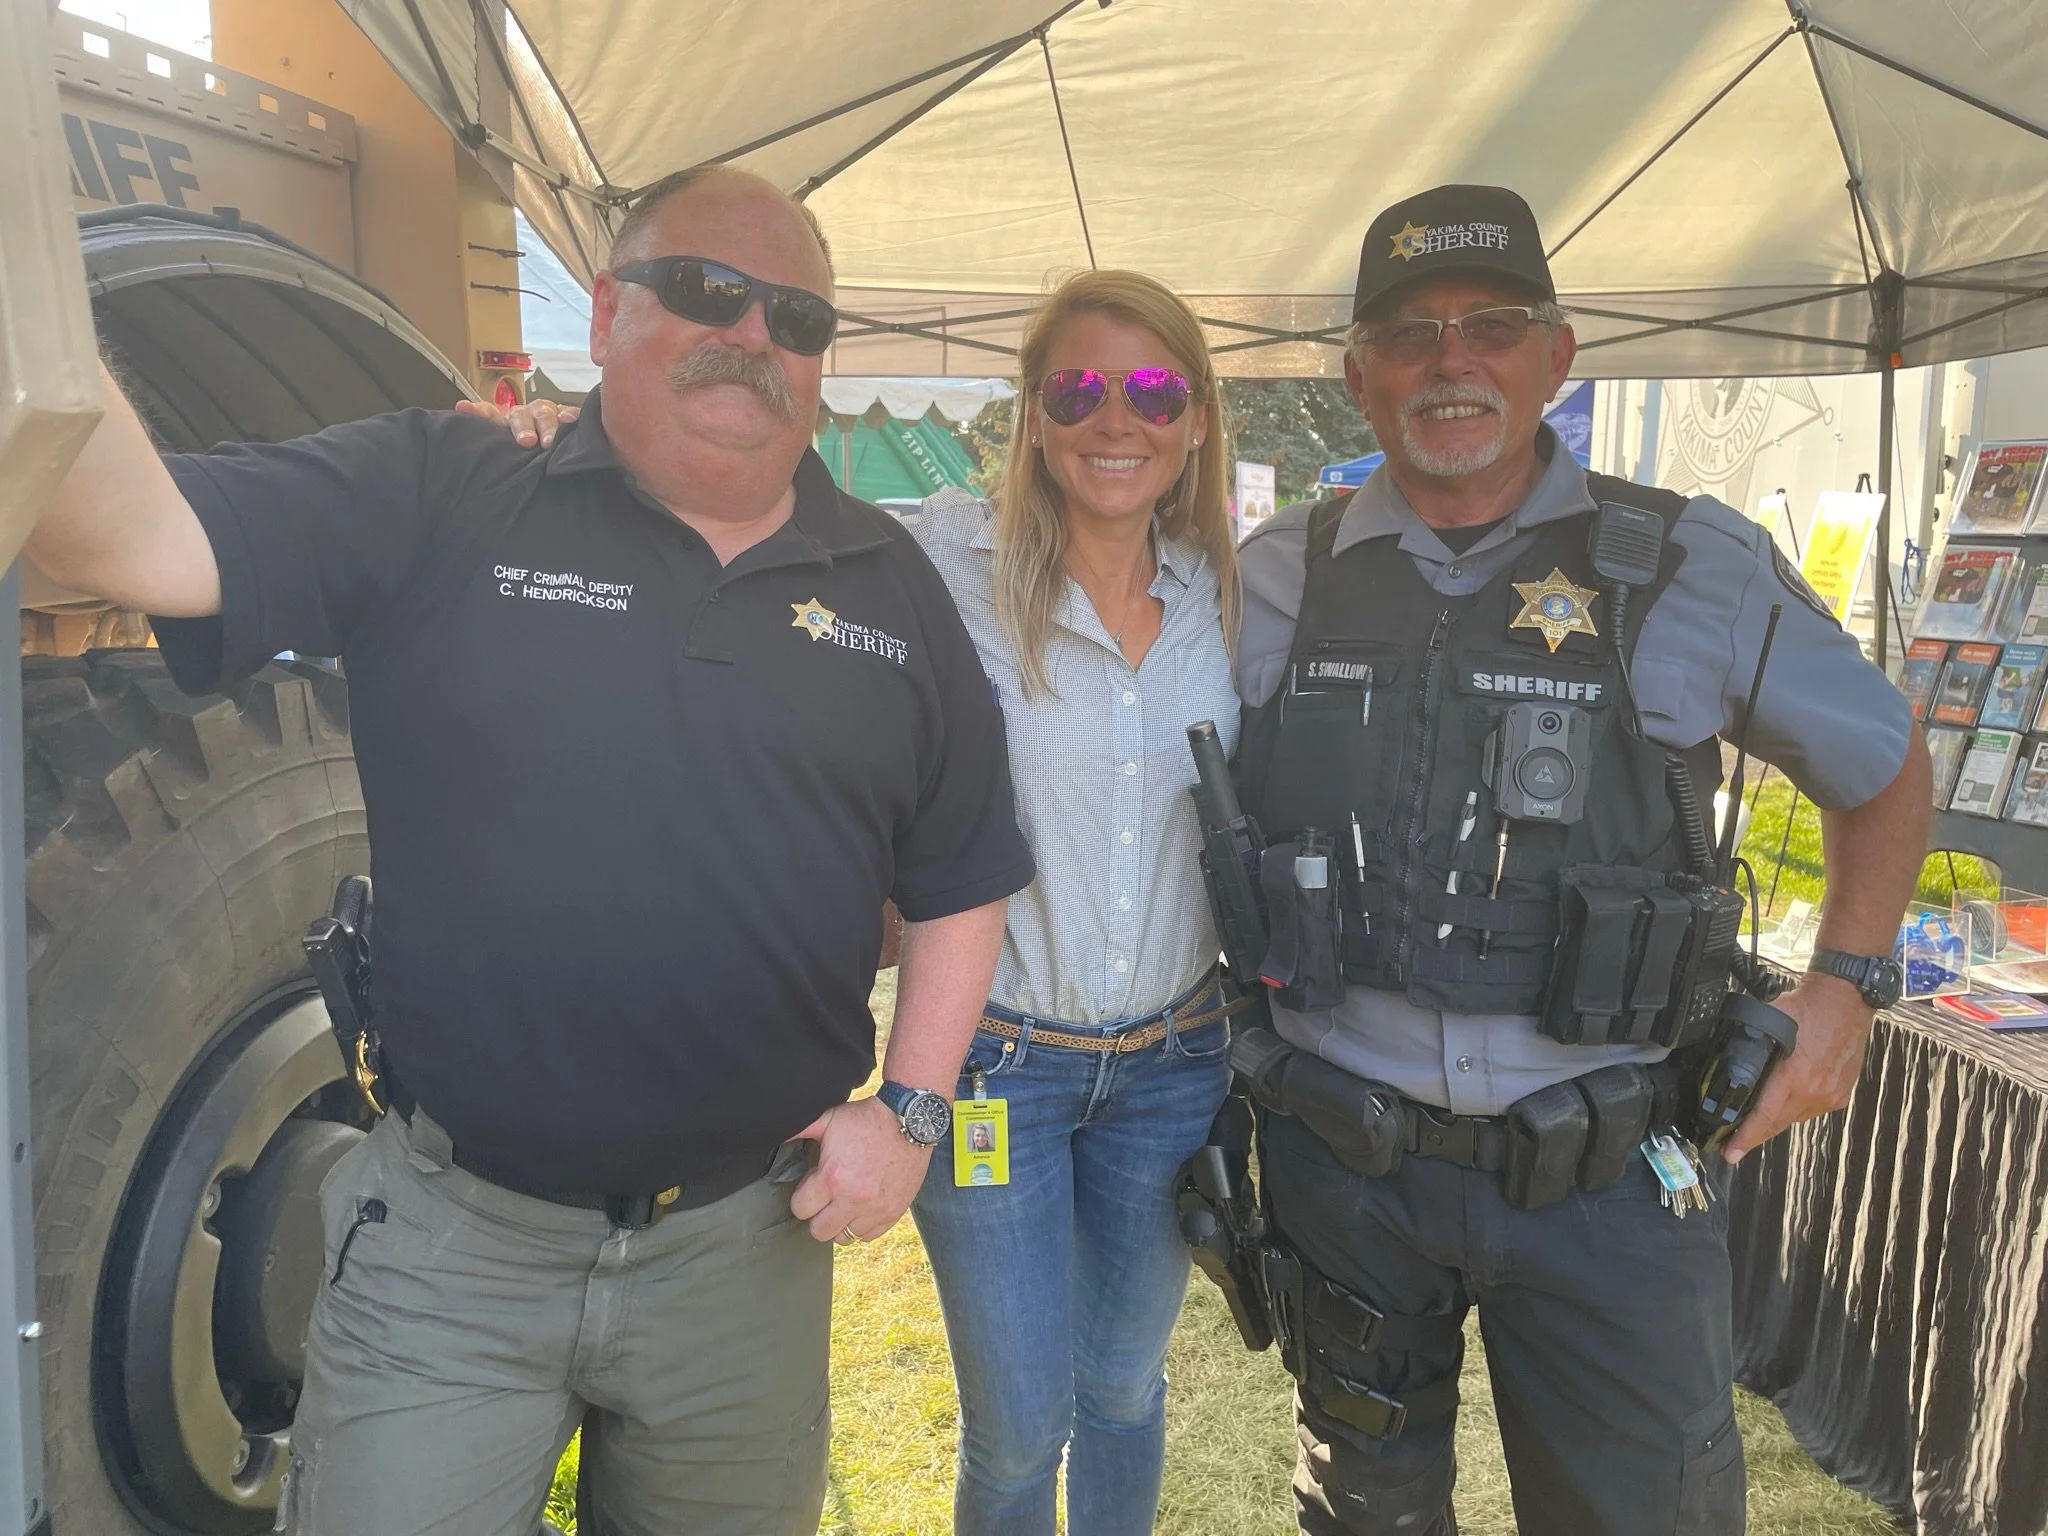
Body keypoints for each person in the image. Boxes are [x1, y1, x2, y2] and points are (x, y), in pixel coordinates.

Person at [27, 164, 1033, 1536]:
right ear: (608, 309)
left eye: (796, 316)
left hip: (744, 1257)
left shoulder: (888, 583)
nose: (754, 333)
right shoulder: (450, 488)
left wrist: (912, 1114)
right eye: (707, 291)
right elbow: (129, 536)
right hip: (455, 1248)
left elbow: (964, 872)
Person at [1230, 184, 1932, 1536]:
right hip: (1345, 1171)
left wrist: (1843, 987)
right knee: (1358, 1512)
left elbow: (1886, 760)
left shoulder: (1684, 564)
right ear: (1358, 374)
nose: (1451, 361)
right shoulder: (1275, 574)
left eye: (1491, 325)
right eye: (1410, 332)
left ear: (1557, 357)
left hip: (1610, 1179)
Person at [496, 267, 1241, 1536]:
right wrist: (547, 449)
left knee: (1121, 1388)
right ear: (1032, 412)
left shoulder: (1234, 597)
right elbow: (742, 478)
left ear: (1195, 419)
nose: (1116, 420)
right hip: (998, 1064)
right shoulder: (939, 556)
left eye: (1155, 390)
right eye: (1078, 388)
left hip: (1176, 1065)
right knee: (1019, 1427)